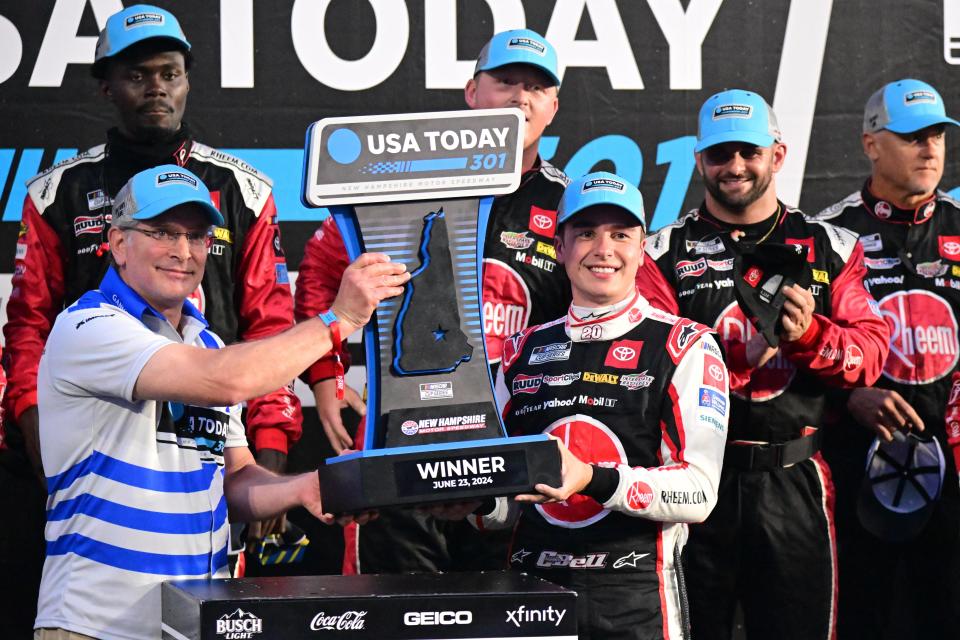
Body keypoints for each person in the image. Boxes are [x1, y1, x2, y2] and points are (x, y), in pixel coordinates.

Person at [1, 4, 301, 608]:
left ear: (188, 80)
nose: (157, 88)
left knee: (207, 612)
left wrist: (265, 471)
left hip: (214, 445)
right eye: (138, 75)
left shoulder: (243, 188)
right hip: (96, 455)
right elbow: (28, 332)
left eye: (170, 73)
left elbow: (268, 328)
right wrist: (48, 458)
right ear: (107, 85)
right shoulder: (58, 192)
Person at [33, 165, 407, 640]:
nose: (182, 252)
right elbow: (228, 381)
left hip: (191, 625)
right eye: (163, 232)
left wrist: (304, 488)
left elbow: (234, 480)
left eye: (197, 236)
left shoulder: (206, 343)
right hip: (94, 627)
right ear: (119, 244)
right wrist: (341, 318)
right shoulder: (87, 327)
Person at [295, 28, 571, 573]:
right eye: (506, 82)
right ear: (472, 93)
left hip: (511, 448)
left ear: (553, 107)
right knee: (397, 615)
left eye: (536, 88)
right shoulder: (407, 179)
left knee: (501, 619)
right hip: (404, 435)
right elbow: (320, 269)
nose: (520, 97)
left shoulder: (569, 204)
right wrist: (325, 376)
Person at [635, 89, 890, 640]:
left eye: (748, 152)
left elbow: (870, 353)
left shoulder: (830, 246)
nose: (735, 167)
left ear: (777, 154)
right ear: (699, 160)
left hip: (795, 478)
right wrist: (736, 361)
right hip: (694, 484)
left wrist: (808, 335)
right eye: (720, 154)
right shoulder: (661, 253)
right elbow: (646, 373)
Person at [466, 171, 727, 639]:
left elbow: (700, 493)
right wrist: (475, 500)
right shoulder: (519, 350)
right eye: (585, 233)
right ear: (560, 247)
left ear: (641, 247)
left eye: (620, 234)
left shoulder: (684, 345)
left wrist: (592, 478)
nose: (603, 249)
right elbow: (503, 507)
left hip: (636, 599)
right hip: (531, 597)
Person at [816, 78, 960, 639]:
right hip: (857, 461)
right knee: (864, 616)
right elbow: (800, 353)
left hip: (952, 465)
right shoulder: (831, 234)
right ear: (872, 144)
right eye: (911, 136)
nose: (929, 149)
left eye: (937, 136)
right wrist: (848, 395)